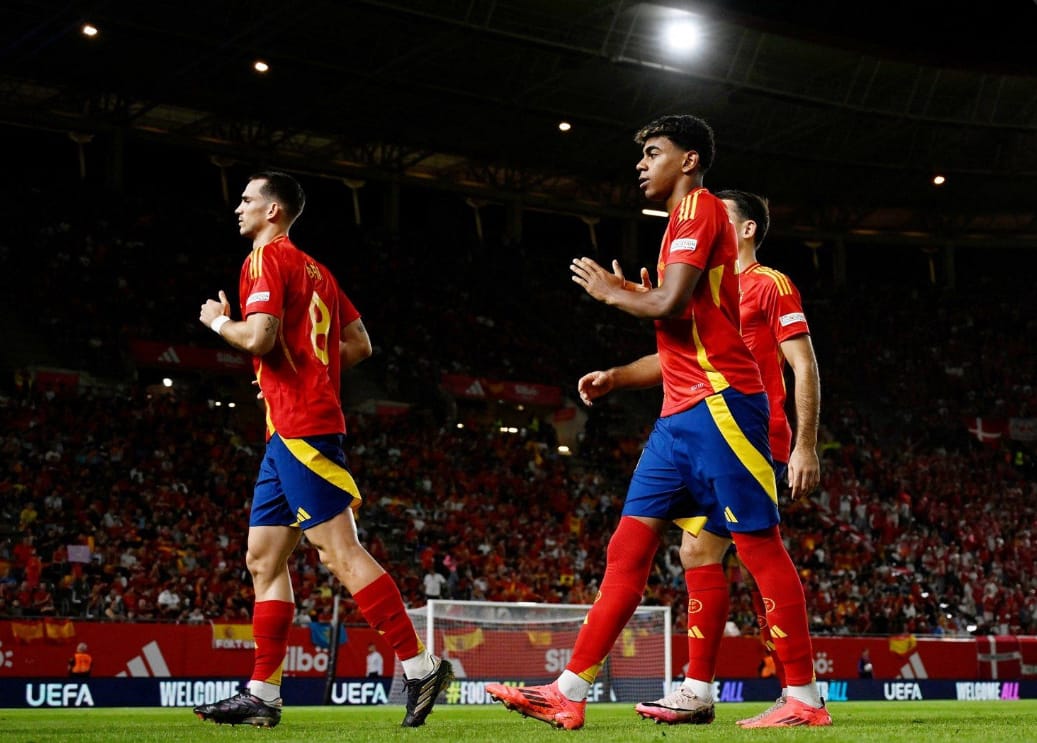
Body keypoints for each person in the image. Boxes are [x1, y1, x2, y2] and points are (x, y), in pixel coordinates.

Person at [486, 115, 830, 729]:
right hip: (678, 417)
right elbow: (677, 323)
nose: (641, 164)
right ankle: (569, 690)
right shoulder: (679, 225)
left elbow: (670, 305)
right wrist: (619, 367)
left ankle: (803, 698)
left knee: (758, 547)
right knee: (630, 546)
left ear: (689, 159)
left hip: (723, 404)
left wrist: (611, 293)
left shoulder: (701, 211)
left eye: (652, 152)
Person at [192, 171, 452, 729]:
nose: (238, 207)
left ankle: (420, 665)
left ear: (274, 210)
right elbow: (360, 343)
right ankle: (263, 694)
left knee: (337, 552)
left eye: (247, 199)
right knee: (263, 558)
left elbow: (259, 337)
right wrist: (303, 372)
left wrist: (219, 323)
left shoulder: (264, 260)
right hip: (285, 429)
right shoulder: (319, 271)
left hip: (301, 426)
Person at [634, 189, 822, 725]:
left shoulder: (770, 283)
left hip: (752, 434)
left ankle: (801, 696)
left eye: (723, 217)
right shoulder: (710, 291)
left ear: (745, 229)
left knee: (756, 549)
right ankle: (701, 691)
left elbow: (803, 363)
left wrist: (805, 443)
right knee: (697, 551)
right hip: (710, 434)